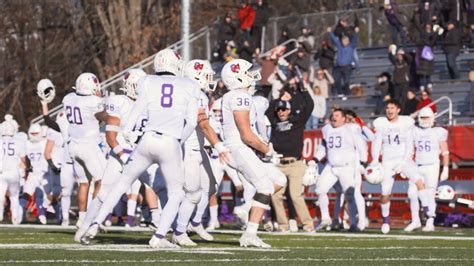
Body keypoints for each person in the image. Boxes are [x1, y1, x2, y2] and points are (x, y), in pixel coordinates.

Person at [80, 49, 200, 249]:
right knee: (176, 194)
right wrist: (178, 142)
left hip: (146, 140)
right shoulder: (189, 85)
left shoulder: (147, 81)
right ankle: (159, 236)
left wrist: (126, 131)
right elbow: (192, 122)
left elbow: (137, 108)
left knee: (122, 183)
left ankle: (94, 225)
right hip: (169, 141)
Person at [220, 58, 284, 247]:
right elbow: (246, 134)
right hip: (240, 148)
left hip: (243, 148)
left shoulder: (237, 95)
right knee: (264, 187)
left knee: (279, 179)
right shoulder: (240, 95)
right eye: (246, 73)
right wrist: (267, 149)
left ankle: (246, 209)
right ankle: (250, 234)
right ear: (237, 77)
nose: (251, 76)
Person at [173, 60, 230, 246]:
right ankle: (179, 231)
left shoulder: (195, 94)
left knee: (210, 186)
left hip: (197, 147)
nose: (209, 79)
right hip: (188, 149)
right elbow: (203, 124)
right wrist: (218, 145)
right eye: (206, 75)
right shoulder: (195, 95)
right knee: (192, 194)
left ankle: (195, 223)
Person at [369, 99, 433, 234]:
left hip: (403, 159)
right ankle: (386, 221)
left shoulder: (406, 123)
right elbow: (377, 142)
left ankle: (427, 209)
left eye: (392, 108)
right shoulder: (381, 123)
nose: (389, 110)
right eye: (388, 108)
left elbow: (410, 145)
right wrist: (375, 159)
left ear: (398, 110)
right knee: (385, 193)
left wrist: (404, 162)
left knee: (419, 181)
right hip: (388, 161)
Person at [266, 79, 314, 232]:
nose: (281, 112)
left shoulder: (297, 121)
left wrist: (304, 90)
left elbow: (309, 106)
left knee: (295, 196)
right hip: (279, 164)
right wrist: (280, 99)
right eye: (279, 110)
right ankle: (283, 225)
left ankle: (308, 225)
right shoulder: (274, 122)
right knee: (275, 196)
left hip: (294, 164)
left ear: (289, 110)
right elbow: (268, 110)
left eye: (284, 109)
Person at [63, 72, 108, 231]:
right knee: (103, 180)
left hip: (73, 145)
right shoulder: (93, 101)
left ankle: (81, 219)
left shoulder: (69, 98)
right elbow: (105, 118)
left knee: (83, 183)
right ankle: (93, 217)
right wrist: (102, 100)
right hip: (89, 145)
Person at [313, 109, 368, 232]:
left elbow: (361, 144)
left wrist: (364, 161)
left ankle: (353, 222)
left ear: (343, 118)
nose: (334, 117)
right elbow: (324, 146)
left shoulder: (351, 129)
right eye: (333, 115)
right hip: (331, 166)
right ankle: (325, 218)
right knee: (320, 189)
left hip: (346, 167)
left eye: (337, 115)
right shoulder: (327, 129)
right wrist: (315, 158)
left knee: (350, 195)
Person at [404, 107, 450, 232]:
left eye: (426, 118)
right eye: (422, 118)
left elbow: (445, 152)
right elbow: (409, 151)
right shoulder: (414, 131)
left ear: (432, 118)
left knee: (429, 195)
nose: (424, 120)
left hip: (432, 166)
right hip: (417, 165)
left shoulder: (438, 131)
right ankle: (415, 221)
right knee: (412, 194)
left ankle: (430, 222)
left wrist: (445, 168)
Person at [20, 124, 49, 224]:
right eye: (33, 133)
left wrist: (28, 167)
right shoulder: (45, 142)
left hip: (40, 173)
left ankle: (40, 214)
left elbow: (25, 158)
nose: (34, 135)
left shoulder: (27, 143)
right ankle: (22, 213)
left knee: (32, 194)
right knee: (28, 194)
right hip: (42, 173)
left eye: (36, 133)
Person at [0, 115, 25, 225]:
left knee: (0, 195)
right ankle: (15, 218)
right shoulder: (19, 141)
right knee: (14, 196)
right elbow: (23, 157)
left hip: (2, 171)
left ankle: (0, 216)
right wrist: (27, 167)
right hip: (14, 172)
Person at [328, 26, 360, 98]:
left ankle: (347, 94)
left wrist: (356, 33)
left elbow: (355, 40)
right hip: (339, 66)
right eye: (343, 41)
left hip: (347, 66)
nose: (344, 42)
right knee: (336, 80)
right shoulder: (340, 46)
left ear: (348, 41)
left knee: (346, 81)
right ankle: (340, 93)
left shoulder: (351, 46)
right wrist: (330, 33)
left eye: (346, 41)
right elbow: (335, 40)